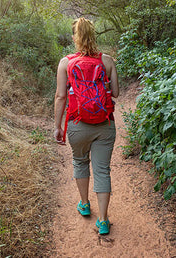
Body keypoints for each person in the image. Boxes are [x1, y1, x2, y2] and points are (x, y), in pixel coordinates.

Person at [53, 17, 119, 235]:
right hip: (104, 124)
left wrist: (58, 127)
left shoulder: (65, 63)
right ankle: (102, 220)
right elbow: (116, 93)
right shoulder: (107, 61)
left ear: (75, 38)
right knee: (102, 170)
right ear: (94, 36)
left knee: (80, 162)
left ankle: (84, 203)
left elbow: (61, 97)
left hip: (77, 124)